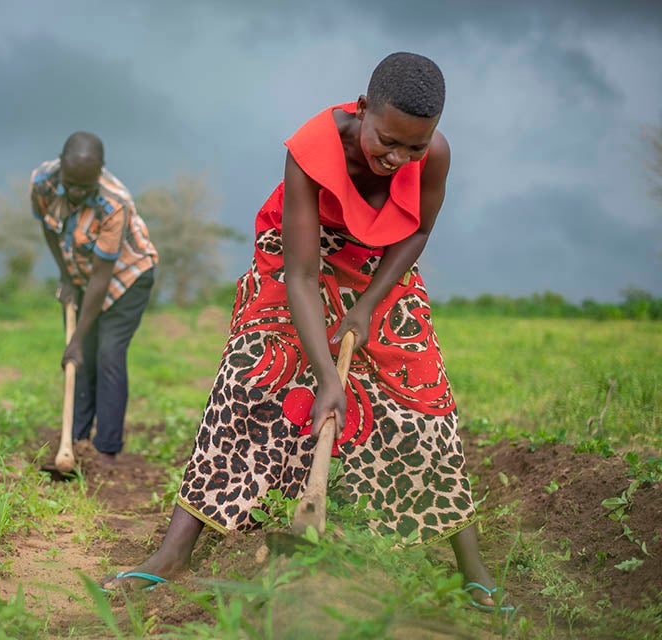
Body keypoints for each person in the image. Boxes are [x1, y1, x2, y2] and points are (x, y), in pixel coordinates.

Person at [102, 52, 513, 613]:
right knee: (250, 371)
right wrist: (325, 376)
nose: (398, 158)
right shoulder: (311, 149)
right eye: (386, 141)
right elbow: (299, 274)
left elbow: (414, 233)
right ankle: (174, 552)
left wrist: (367, 306)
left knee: (422, 393)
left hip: (381, 265)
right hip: (299, 255)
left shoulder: (433, 155)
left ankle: (472, 566)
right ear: (363, 108)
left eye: (414, 147)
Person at [31, 131, 158, 464]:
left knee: (107, 352)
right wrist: (65, 275)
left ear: (100, 172)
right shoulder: (43, 181)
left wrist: (76, 338)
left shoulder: (114, 202)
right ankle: (74, 441)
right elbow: (48, 226)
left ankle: (106, 450)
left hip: (128, 277)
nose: (74, 193)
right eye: (69, 183)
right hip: (82, 274)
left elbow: (102, 277)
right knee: (81, 357)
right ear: (60, 166)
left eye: (83, 187)